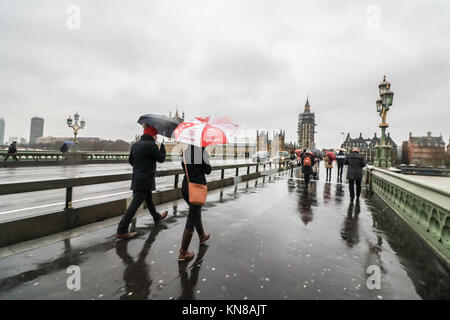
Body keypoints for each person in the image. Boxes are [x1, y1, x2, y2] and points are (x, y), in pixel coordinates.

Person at [116, 124, 168, 239]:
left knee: (148, 199)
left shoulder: (135, 145)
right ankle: (122, 229)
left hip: (137, 178)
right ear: (153, 135)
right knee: (135, 204)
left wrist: (139, 168)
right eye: (156, 135)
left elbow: (131, 160)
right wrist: (162, 148)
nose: (156, 137)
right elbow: (161, 158)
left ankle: (156, 217)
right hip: (146, 179)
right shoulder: (151, 145)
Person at [179, 145, 212, 261]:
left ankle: (202, 236)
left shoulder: (185, 151)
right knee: (192, 218)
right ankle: (183, 253)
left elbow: (184, 167)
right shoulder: (201, 152)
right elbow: (208, 170)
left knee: (196, 212)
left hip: (185, 187)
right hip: (196, 188)